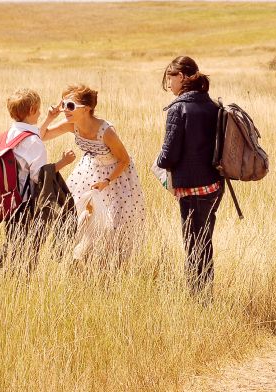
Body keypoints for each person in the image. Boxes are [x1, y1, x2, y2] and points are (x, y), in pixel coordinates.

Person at [42, 84, 145, 267]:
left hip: (115, 176)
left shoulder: (106, 132)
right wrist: (50, 118)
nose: (65, 109)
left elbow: (124, 160)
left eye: (71, 106)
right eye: (64, 104)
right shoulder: (71, 125)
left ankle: (109, 268)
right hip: (89, 170)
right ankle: (82, 262)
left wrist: (106, 181)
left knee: (112, 224)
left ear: (87, 108)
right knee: (79, 216)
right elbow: (42, 136)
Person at [157, 56, 223, 297]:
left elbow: (169, 156)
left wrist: (159, 161)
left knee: (193, 245)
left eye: (170, 78)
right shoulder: (213, 106)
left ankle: (199, 299)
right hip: (214, 186)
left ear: (182, 77)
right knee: (204, 241)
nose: (169, 84)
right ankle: (204, 295)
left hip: (192, 188)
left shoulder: (178, 108)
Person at [0, 88, 76, 273]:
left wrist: (50, 118)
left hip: (10, 199)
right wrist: (63, 163)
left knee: (12, 241)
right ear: (33, 109)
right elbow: (40, 176)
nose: (42, 112)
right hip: (27, 203)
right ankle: (21, 281)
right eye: (40, 109)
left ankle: (5, 275)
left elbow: (34, 136)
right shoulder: (35, 144)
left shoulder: (12, 132)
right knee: (29, 248)